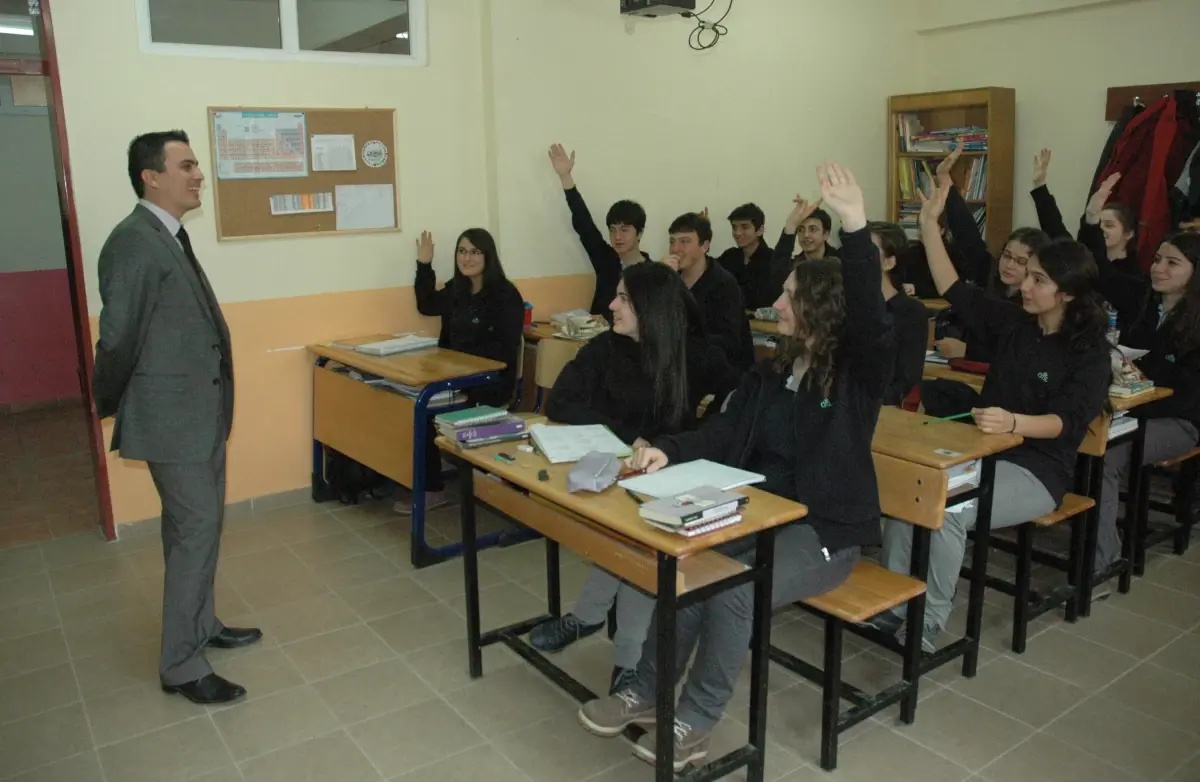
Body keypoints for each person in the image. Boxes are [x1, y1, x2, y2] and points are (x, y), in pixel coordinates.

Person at [578, 163, 891, 771]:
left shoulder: (856, 376)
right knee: (695, 571)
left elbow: (874, 327)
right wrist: (672, 446)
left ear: (820, 312)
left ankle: (696, 718)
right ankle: (644, 689)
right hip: (764, 515)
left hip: (826, 532)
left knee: (734, 593)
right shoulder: (772, 372)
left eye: (788, 297)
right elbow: (725, 430)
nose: (774, 302)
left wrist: (854, 224)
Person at [873, 178, 1112, 653]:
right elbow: (952, 287)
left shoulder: (1089, 353)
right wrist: (927, 225)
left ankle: (926, 625)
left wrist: (1014, 423)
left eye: (1038, 279)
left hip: (1038, 469)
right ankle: (894, 604)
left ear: (1066, 292)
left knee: (948, 509)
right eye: (1027, 274)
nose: (1024, 285)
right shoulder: (1016, 325)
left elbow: (1067, 422)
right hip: (983, 453)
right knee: (911, 491)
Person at [92, 130, 261, 705]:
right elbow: (116, 339)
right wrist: (108, 402)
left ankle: (201, 624)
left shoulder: (168, 236)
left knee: (195, 527)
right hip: (171, 418)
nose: (198, 175)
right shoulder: (135, 242)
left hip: (199, 413)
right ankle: (181, 665)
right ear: (151, 176)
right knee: (195, 530)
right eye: (185, 165)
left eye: (197, 165)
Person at [532, 262, 741, 693]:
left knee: (639, 542)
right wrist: (630, 437)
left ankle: (614, 644)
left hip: (669, 478)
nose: (611, 305)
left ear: (651, 307)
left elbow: (738, 400)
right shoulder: (605, 347)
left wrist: (688, 438)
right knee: (629, 538)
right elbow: (561, 403)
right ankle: (604, 634)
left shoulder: (694, 353)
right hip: (620, 477)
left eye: (623, 298)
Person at [1078, 175, 1200, 572]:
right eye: (1158, 259)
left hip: (1178, 420)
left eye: (1172, 263)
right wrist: (1092, 218)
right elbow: (1099, 272)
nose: (1158, 268)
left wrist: (1134, 402)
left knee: (1106, 454)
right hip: (1130, 408)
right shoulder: (1144, 300)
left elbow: (1186, 395)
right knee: (1081, 436)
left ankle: (1102, 559)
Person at [406, 228, 524, 514]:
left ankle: (432, 489)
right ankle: (430, 484)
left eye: (474, 252)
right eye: (461, 251)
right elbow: (426, 304)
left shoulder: (505, 296)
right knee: (408, 402)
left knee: (425, 413)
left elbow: (505, 354)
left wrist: (462, 369)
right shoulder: (456, 290)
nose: (466, 258)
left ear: (488, 256)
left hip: (489, 384)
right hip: (456, 381)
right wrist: (424, 264)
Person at [549, 143, 650, 317]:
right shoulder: (607, 260)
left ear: (639, 233)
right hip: (598, 336)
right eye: (613, 229)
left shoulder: (651, 272)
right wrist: (565, 177)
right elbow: (584, 224)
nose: (617, 236)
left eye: (625, 229)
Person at [664, 211, 755, 370]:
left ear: (704, 246)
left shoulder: (724, 284)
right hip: (682, 367)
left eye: (684, 242)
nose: (675, 249)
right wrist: (660, 280)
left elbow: (728, 343)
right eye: (672, 241)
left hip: (722, 372)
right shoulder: (671, 279)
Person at [1031, 148, 1142, 278]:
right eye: (1098, 224)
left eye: (1109, 225)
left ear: (1129, 233)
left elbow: (1103, 271)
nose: (1100, 229)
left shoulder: (1135, 276)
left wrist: (1092, 216)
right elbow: (1055, 230)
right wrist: (1040, 185)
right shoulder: (1083, 258)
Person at [870, 221, 930, 406]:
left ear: (889, 262)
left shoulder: (911, 313)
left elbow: (906, 382)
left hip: (880, 410)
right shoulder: (847, 304)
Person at [715, 202, 777, 310]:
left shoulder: (773, 259)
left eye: (744, 227)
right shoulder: (729, 256)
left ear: (760, 230)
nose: (737, 233)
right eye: (734, 227)